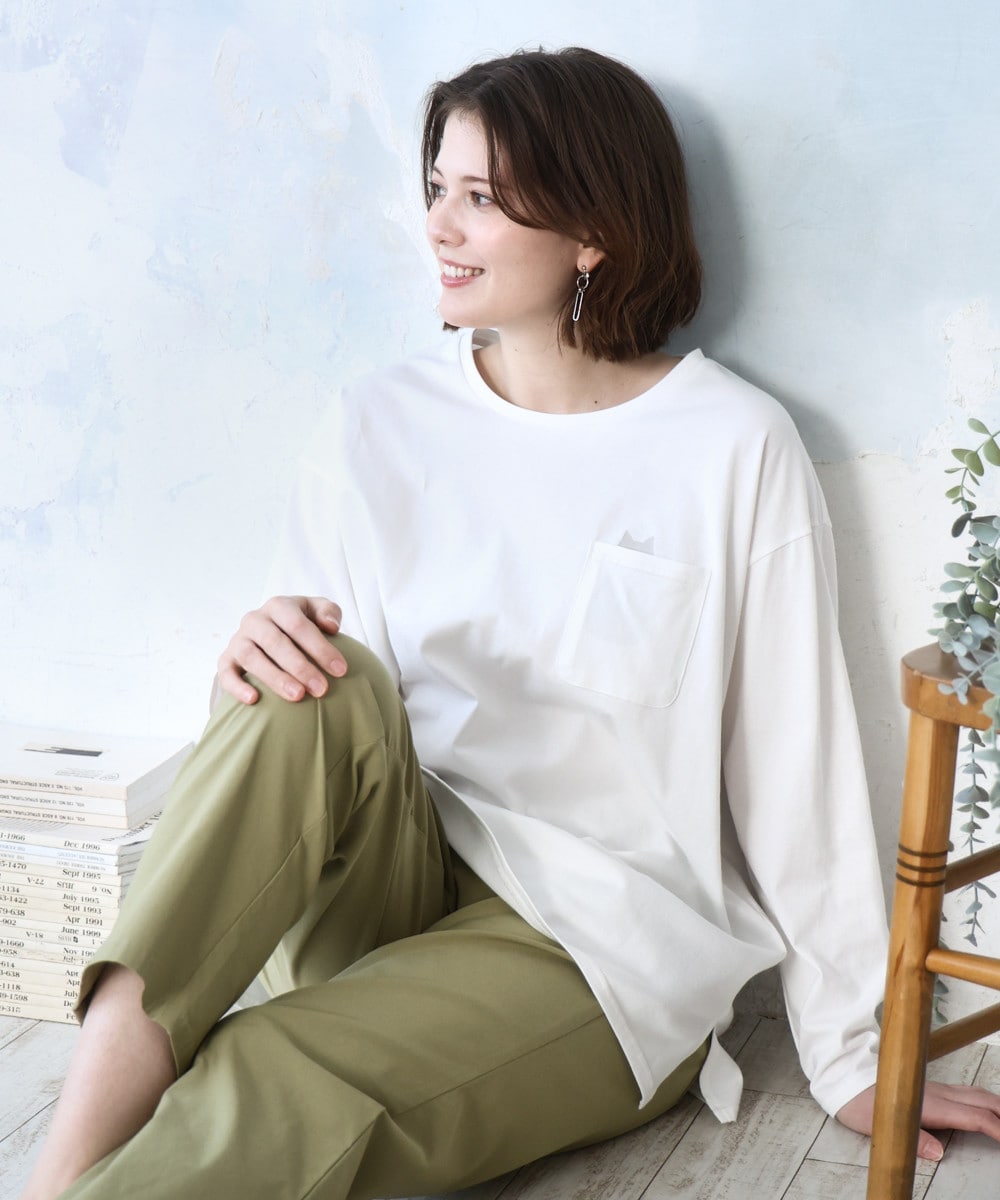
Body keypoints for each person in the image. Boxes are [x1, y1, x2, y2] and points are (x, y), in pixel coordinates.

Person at [21, 46, 1000, 1200]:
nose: (439, 224)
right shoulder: (375, 423)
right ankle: (59, 1170)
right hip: (387, 887)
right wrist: (254, 651)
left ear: (593, 231)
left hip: (601, 949)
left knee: (277, 1073)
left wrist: (851, 1054)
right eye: (437, 186)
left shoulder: (729, 445)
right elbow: (297, 741)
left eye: (480, 197)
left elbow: (794, 765)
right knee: (304, 678)